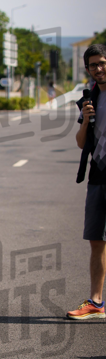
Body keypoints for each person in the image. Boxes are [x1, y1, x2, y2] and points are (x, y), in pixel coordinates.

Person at [67, 43, 106, 320]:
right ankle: (96, 302)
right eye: (93, 65)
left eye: (102, 63)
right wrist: (85, 121)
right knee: (96, 240)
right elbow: (82, 143)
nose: (99, 69)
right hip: (99, 174)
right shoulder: (90, 98)